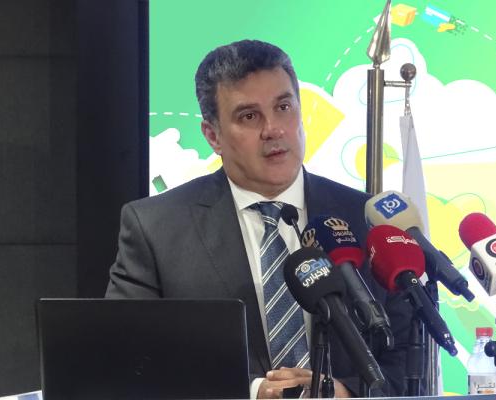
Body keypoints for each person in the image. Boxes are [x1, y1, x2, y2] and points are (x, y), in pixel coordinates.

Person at [105, 40, 412, 398]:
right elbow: (128, 362)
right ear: (213, 136)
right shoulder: (156, 229)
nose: (273, 129)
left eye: (283, 107)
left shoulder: (367, 221)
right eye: (249, 116)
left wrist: (342, 393)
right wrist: (253, 392)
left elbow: (409, 364)